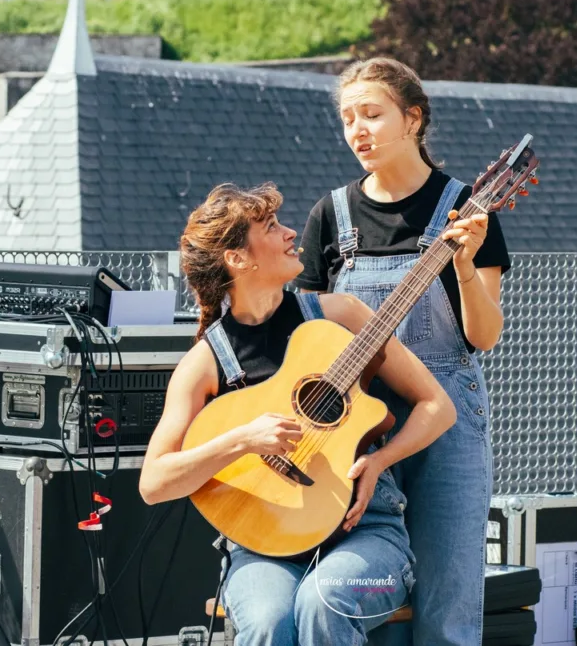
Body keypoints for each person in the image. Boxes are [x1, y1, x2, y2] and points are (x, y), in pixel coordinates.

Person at [139, 182, 457, 645]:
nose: (292, 233)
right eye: (271, 227)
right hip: (260, 548)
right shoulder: (205, 364)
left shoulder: (341, 314)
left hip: (368, 539)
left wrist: (380, 461)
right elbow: (154, 483)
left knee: (323, 601)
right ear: (238, 259)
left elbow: (438, 406)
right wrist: (244, 439)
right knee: (270, 619)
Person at [296, 57, 512, 645]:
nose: (357, 130)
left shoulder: (466, 208)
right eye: (348, 119)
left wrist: (464, 264)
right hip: (349, 424)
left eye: (372, 114)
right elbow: (306, 340)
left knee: (447, 603)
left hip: (447, 417)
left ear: (413, 118)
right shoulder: (329, 216)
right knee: (351, 592)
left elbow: (484, 335)